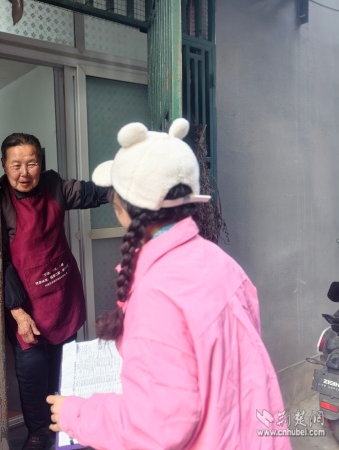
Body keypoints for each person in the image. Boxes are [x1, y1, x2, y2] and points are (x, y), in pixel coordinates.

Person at [46, 119, 291, 449]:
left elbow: (155, 426)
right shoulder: (222, 262)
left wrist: (76, 414)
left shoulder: (155, 294)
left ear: (120, 208)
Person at [0, 132, 109, 450]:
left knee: (63, 376)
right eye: (16, 165)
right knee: (33, 377)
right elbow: (2, 262)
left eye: (31, 163)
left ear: (41, 163)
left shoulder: (54, 186)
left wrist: (134, 188)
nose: (24, 173)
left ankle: (65, 433)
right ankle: (38, 435)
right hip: (26, 308)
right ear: (4, 165)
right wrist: (18, 312)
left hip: (61, 300)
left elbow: (93, 193)